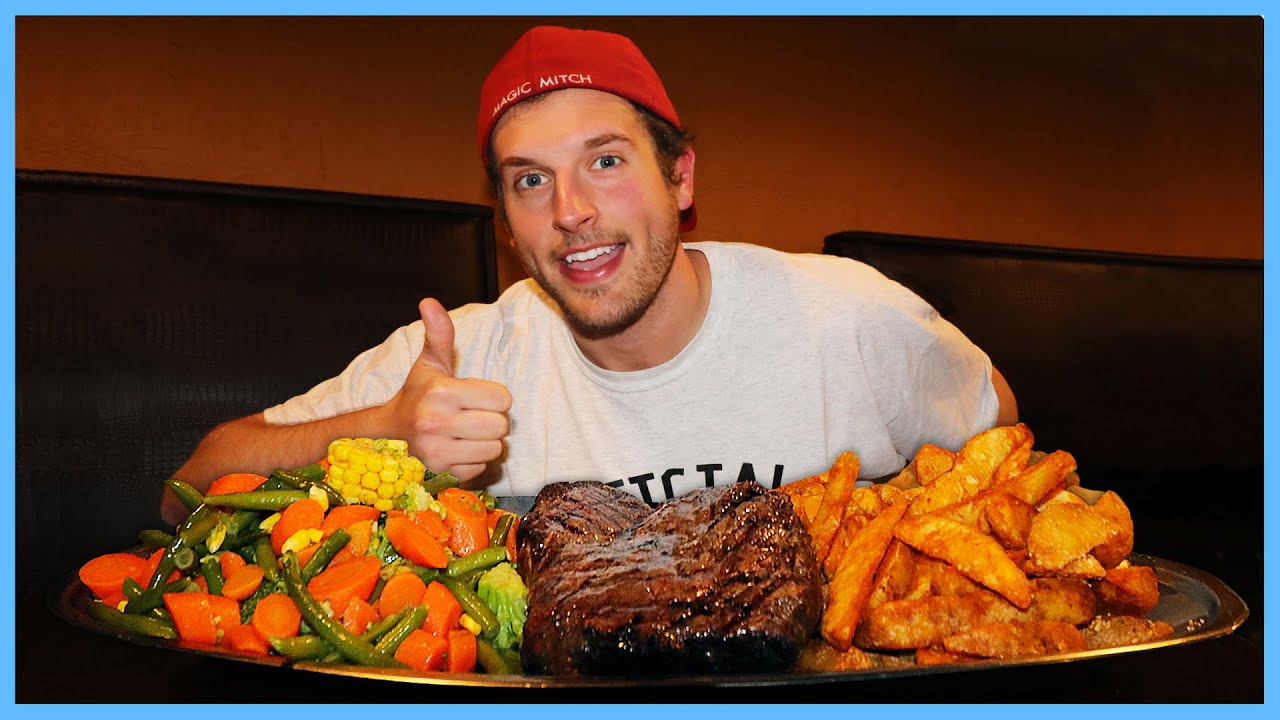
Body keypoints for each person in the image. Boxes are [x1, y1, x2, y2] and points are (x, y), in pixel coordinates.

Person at [161, 25, 1016, 525]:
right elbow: (189, 488)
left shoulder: (851, 318)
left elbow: (1007, 448)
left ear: (680, 179)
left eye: (605, 161)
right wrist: (382, 429)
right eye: (530, 179)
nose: (569, 209)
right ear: (505, 218)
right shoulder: (457, 358)